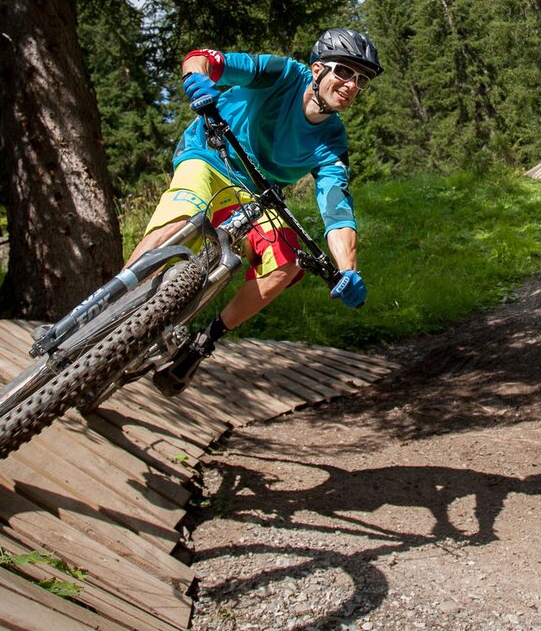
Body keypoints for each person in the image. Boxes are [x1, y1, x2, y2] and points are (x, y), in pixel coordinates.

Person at [127, 28, 383, 396]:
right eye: (343, 71)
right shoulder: (280, 73)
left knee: (287, 265)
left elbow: (336, 208)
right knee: (178, 223)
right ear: (317, 69)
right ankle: (106, 311)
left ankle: (201, 343)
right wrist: (197, 80)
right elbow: (202, 58)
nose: (352, 84)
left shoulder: (333, 141)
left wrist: (348, 270)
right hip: (209, 155)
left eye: (362, 80)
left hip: (257, 194)